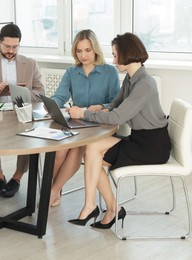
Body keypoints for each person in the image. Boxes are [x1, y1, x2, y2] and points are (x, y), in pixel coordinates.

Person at [67, 32, 171, 228]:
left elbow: (117, 117)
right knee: (91, 150)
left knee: (92, 154)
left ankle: (105, 208)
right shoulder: (132, 79)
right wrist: (103, 108)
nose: (113, 60)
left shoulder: (145, 84)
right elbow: (117, 102)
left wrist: (84, 113)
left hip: (152, 147)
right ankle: (102, 207)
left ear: (127, 54)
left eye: (116, 55)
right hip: (140, 139)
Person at [0, 24, 45, 199]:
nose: (11, 50)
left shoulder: (30, 64)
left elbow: (41, 93)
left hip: (21, 114)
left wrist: (22, 93)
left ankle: (17, 178)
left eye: (15, 47)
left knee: (31, 139)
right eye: (7, 46)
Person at [49, 29, 120, 207]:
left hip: (101, 125)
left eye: (87, 50)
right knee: (59, 151)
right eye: (79, 51)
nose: (83, 55)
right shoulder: (72, 72)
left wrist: (103, 106)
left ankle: (52, 191)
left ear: (95, 48)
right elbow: (60, 97)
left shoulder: (109, 72)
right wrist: (49, 104)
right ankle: (52, 189)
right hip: (78, 123)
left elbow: (116, 101)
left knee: (75, 150)